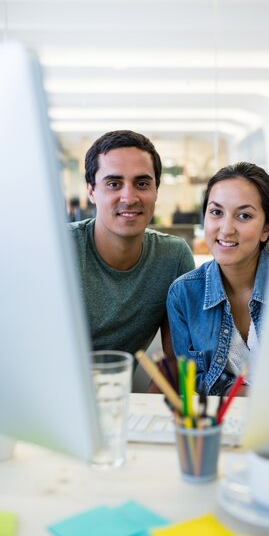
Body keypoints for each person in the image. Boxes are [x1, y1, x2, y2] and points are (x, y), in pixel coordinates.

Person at [69, 129, 195, 375]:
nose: (129, 197)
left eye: (142, 183)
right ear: (91, 191)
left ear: (156, 190)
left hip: (120, 403)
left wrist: (144, 411)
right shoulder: (62, 249)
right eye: (114, 184)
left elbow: (175, 361)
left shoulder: (173, 257)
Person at [167, 162, 269, 395]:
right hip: (223, 422)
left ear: (266, 229)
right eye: (216, 212)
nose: (226, 229)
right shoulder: (184, 294)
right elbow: (193, 382)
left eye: (244, 215)